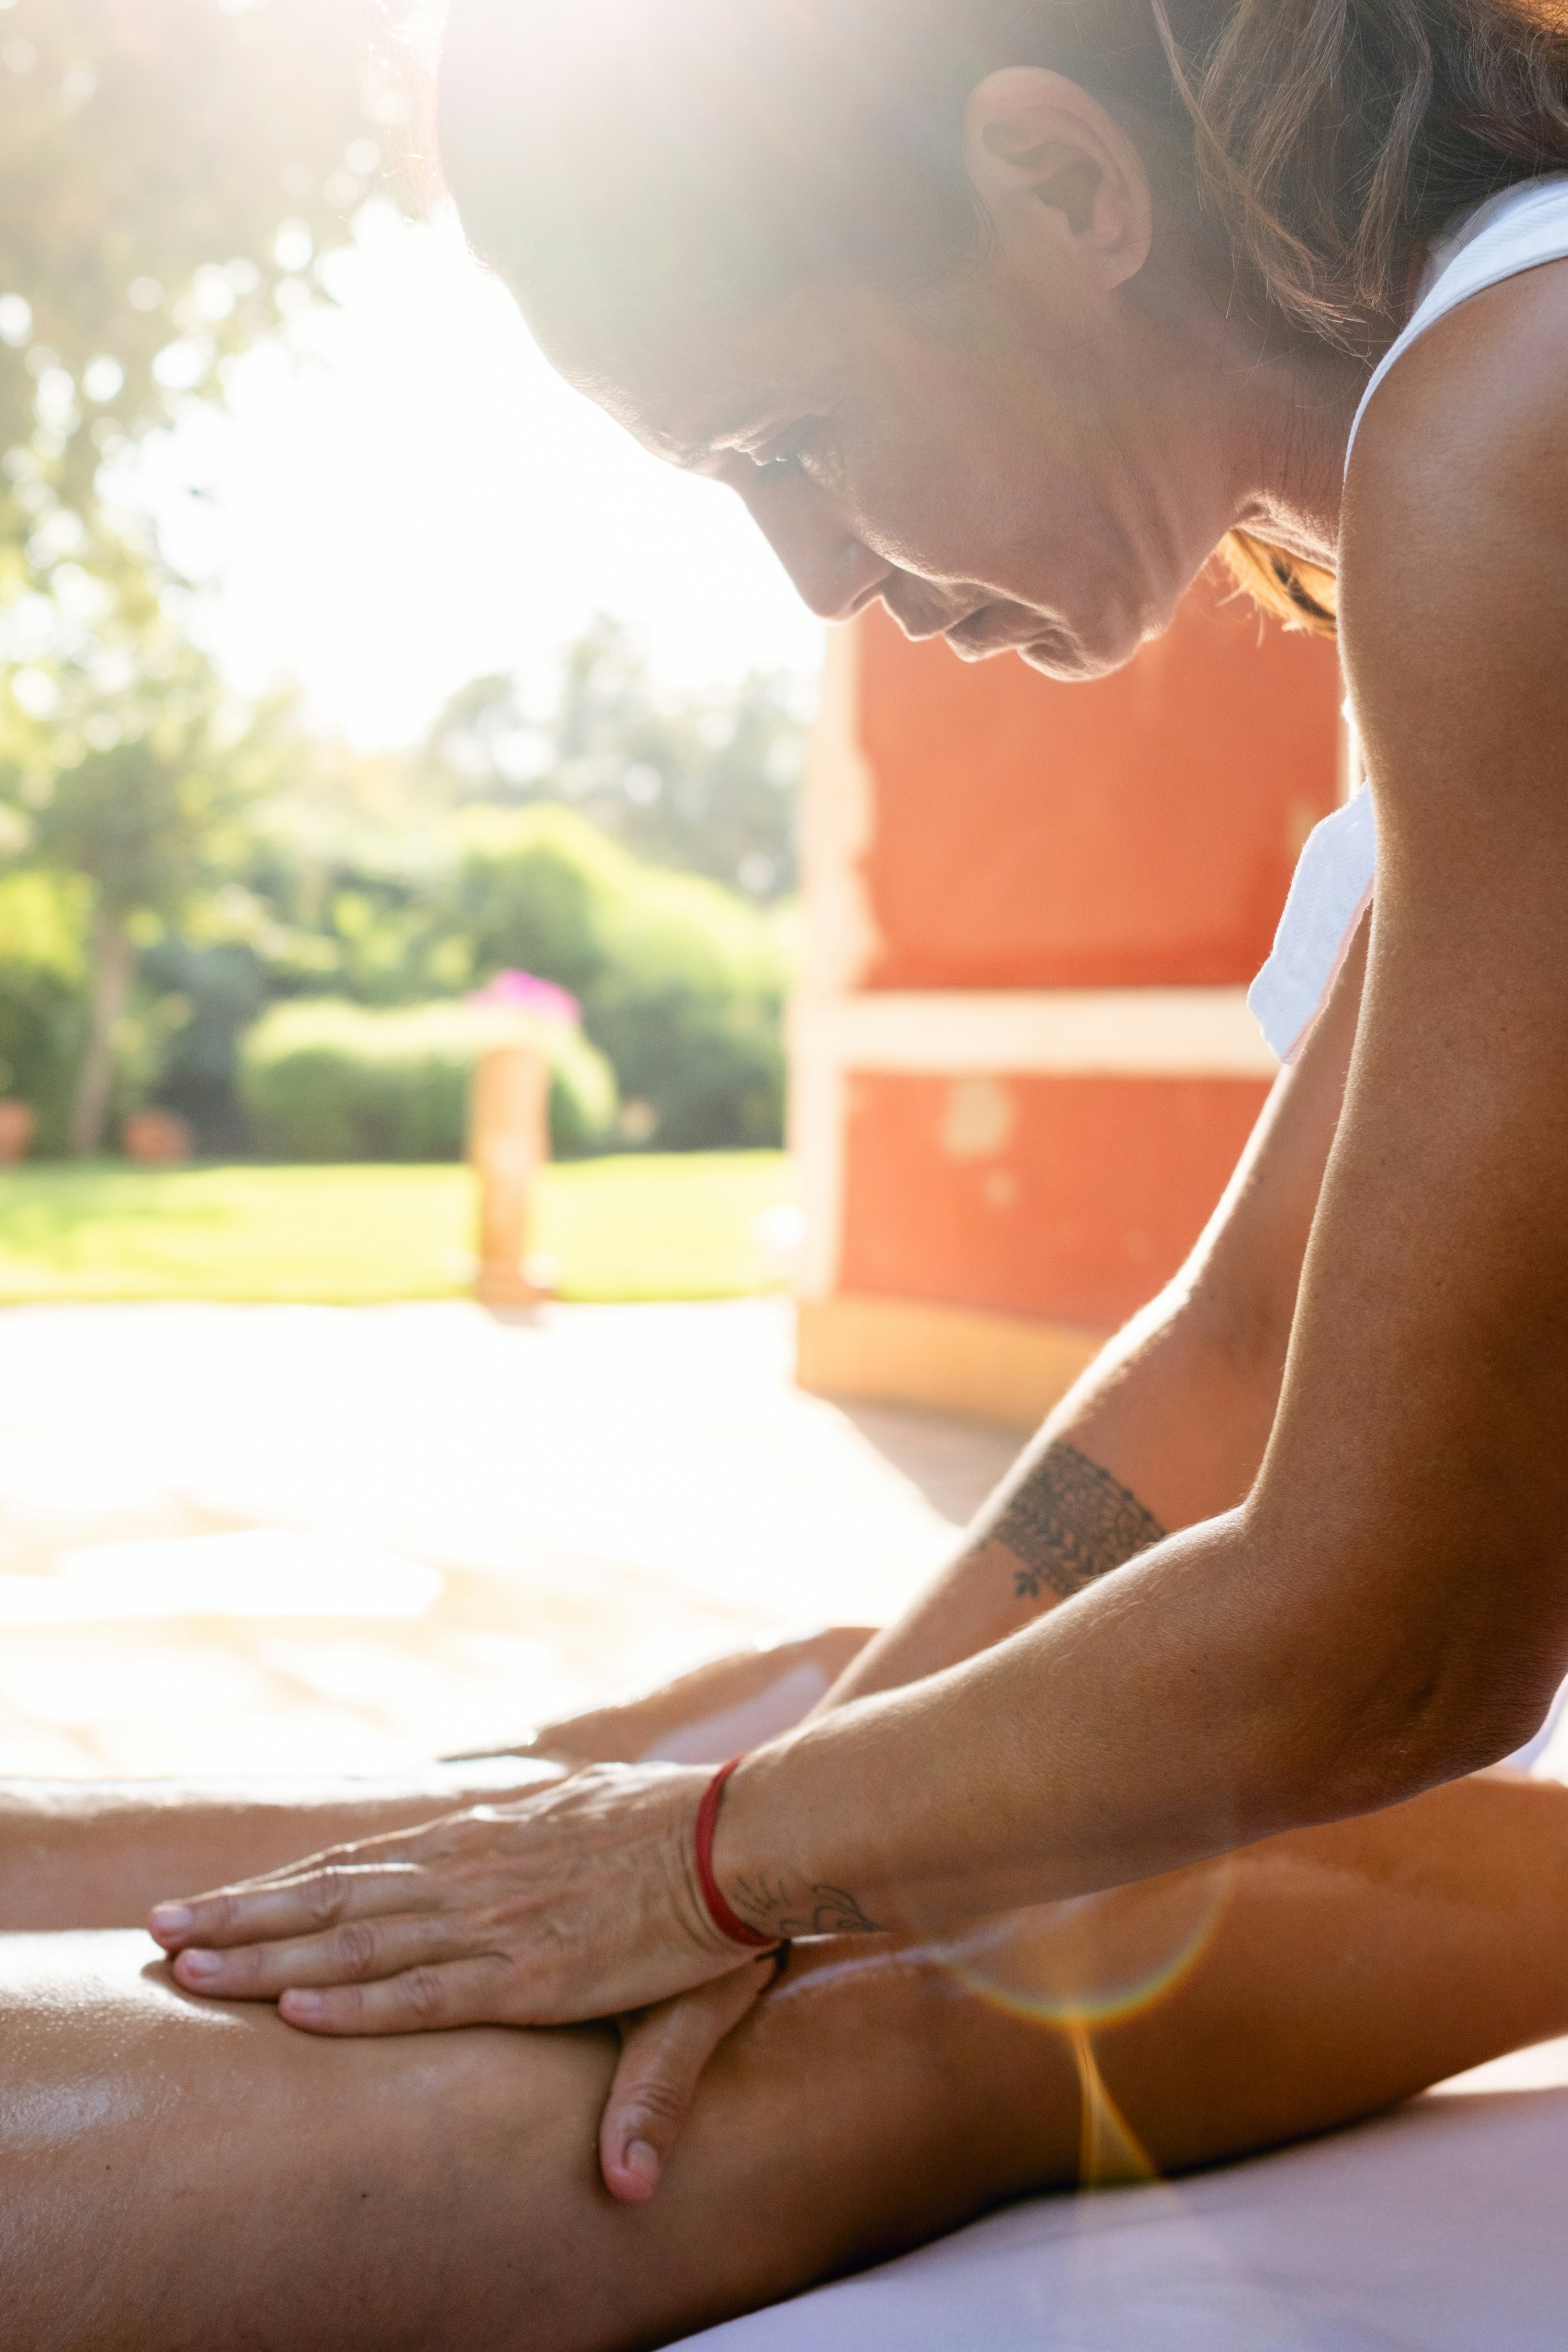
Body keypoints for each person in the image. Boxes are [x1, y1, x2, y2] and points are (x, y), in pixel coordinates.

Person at [8, 0, 1568, 2339]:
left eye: (798, 439)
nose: (817, 580)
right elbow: (1244, 1343)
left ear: (1061, 188)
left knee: (747, 1880)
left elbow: (1401, 1633)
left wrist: (723, 1874)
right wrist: (784, 1813)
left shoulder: (1511, 430)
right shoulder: (1475, 424)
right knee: (763, 1743)